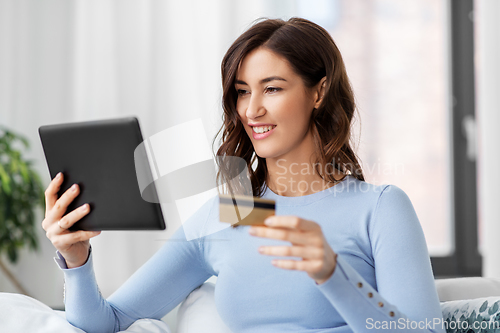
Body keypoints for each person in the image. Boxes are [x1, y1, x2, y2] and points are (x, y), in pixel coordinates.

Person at [42, 17, 446, 333]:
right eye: (241, 91)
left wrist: (332, 273)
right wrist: (76, 261)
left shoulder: (379, 208)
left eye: (272, 89)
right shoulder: (228, 215)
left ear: (318, 93)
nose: (251, 110)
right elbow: (107, 322)